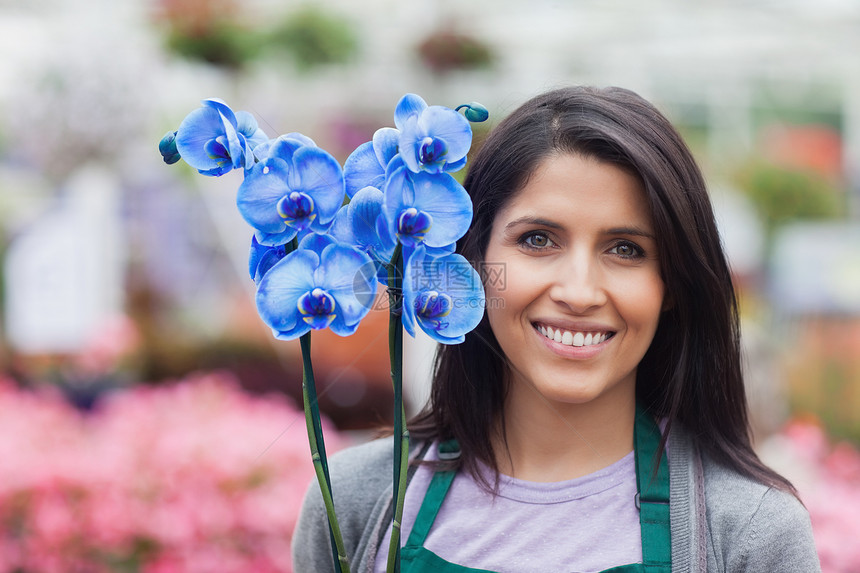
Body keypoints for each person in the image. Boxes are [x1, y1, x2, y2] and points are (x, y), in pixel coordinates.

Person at [292, 86, 821, 572]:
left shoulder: (751, 533)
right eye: (539, 240)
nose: (579, 291)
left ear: (673, 286)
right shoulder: (355, 500)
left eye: (626, 249)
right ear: (469, 259)